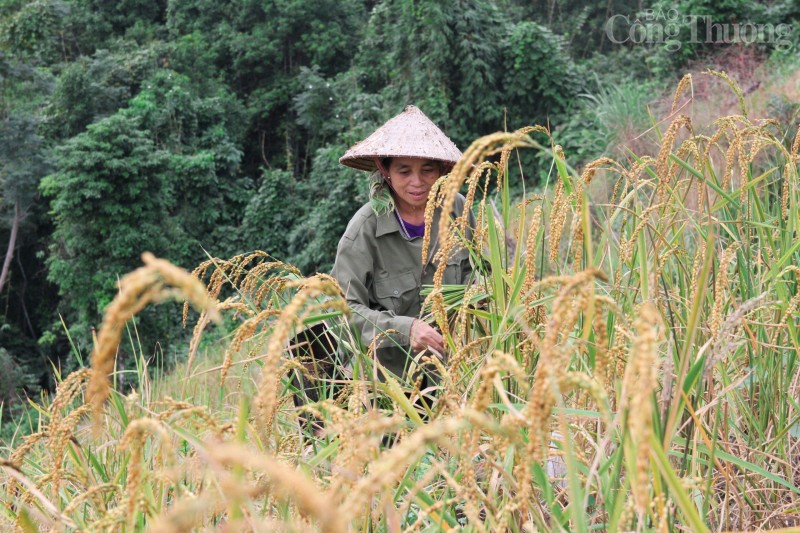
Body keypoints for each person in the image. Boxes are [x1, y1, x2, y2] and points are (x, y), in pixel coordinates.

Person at [332, 105, 474, 380]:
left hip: (451, 376)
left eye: (428, 170)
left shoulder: (457, 210)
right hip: (386, 383)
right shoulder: (364, 231)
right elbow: (343, 313)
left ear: (443, 170)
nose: (417, 182)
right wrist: (404, 328)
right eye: (404, 171)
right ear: (385, 170)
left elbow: (478, 277)